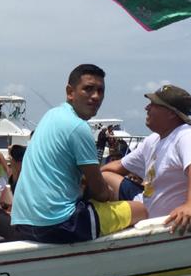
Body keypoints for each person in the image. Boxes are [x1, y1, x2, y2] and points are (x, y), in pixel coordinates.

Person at [10, 64, 145, 243]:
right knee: (142, 210)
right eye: (88, 89)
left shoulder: (51, 115)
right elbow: (100, 192)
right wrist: (110, 193)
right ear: (70, 92)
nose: (96, 96)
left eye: (100, 90)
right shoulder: (78, 127)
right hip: (59, 224)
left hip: (23, 223)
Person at [102, 85, 191, 236]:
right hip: (142, 202)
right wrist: (85, 177)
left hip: (157, 217)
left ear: (171, 113)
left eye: (153, 105)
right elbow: (119, 166)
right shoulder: (153, 140)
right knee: (104, 175)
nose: (147, 108)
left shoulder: (187, 136)